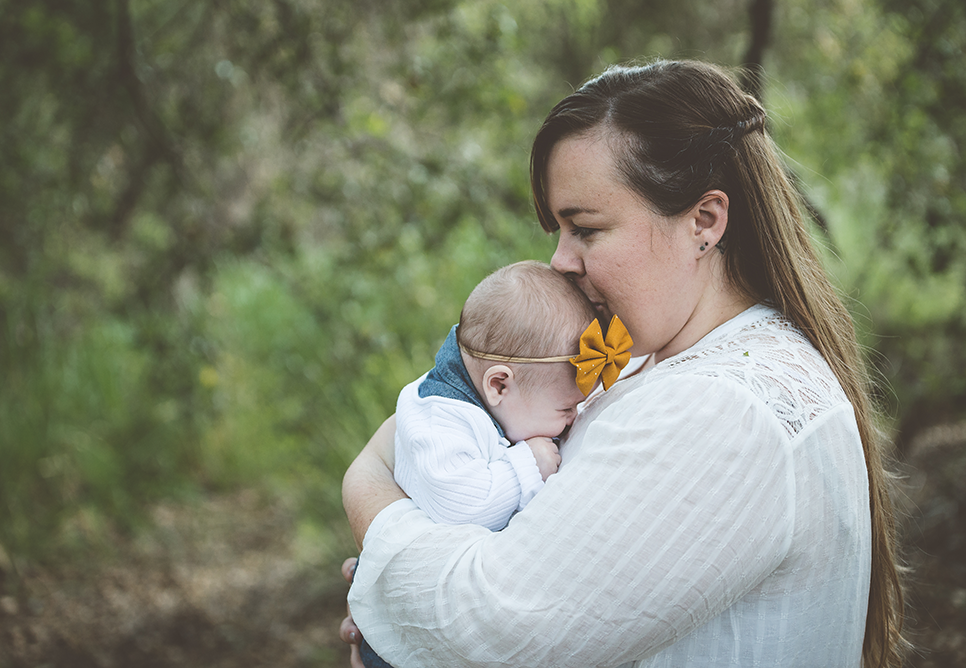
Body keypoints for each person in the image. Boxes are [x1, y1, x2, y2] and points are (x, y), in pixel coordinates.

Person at [340, 59, 906, 667]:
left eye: (584, 229)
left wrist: (370, 491)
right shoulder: (682, 368)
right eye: (558, 230)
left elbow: (496, 627)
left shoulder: (720, 411)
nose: (559, 261)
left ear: (704, 221)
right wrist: (409, 587)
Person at [357, 259, 633, 667]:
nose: (572, 418)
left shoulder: (486, 397)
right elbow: (460, 506)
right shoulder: (441, 419)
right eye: (566, 407)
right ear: (499, 384)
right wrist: (528, 464)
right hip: (407, 632)